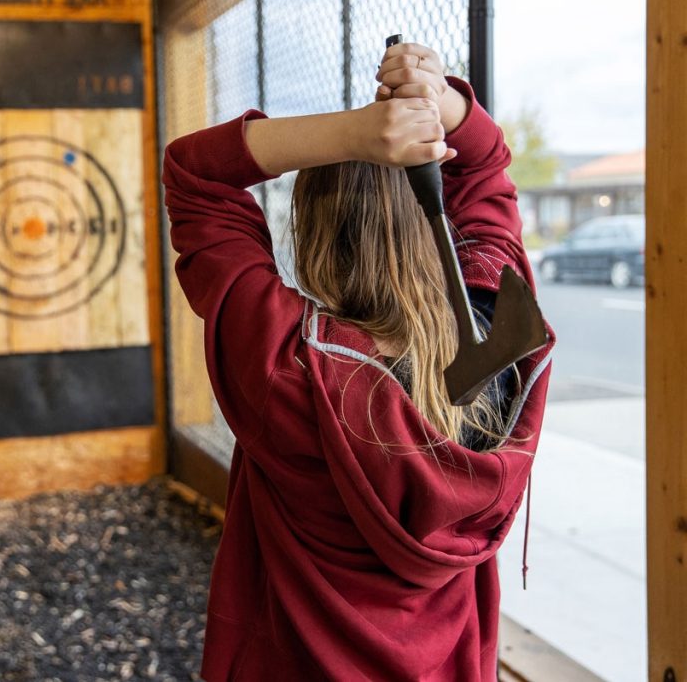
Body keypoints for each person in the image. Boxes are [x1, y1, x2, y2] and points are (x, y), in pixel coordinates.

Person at [162, 40, 556, 681]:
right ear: (437, 226)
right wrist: (445, 104)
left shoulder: (286, 364)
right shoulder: (504, 336)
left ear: (314, 235)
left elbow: (193, 173)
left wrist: (350, 135)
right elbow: (487, 171)